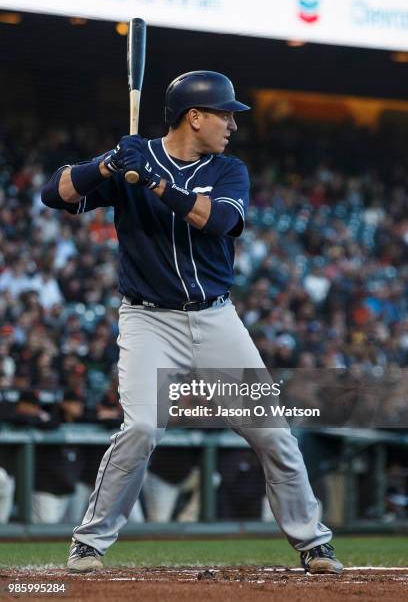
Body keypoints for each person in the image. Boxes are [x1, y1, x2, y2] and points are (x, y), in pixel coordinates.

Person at [41, 70, 343, 574]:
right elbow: (57, 193)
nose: (232, 124)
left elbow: (218, 221)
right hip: (148, 322)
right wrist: (108, 165)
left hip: (217, 319)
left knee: (273, 433)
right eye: (225, 113)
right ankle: (89, 543)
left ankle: (313, 542)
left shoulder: (229, 170)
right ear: (194, 116)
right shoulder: (132, 163)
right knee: (140, 428)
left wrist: (154, 183)